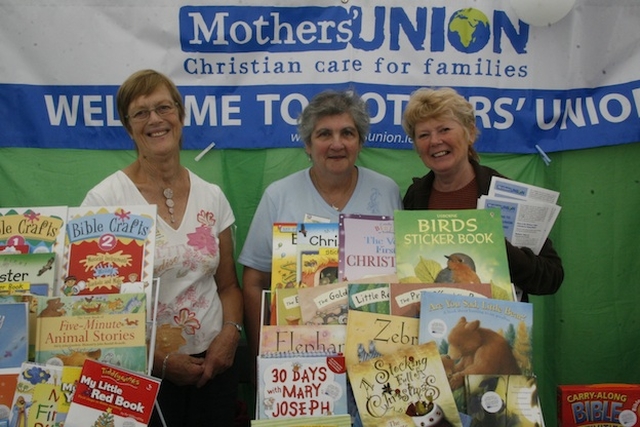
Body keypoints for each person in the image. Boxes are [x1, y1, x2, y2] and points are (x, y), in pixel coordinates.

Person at [81, 69, 243, 426]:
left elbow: (229, 286)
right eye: (141, 112)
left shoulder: (211, 196)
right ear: (128, 127)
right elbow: (96, 308)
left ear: (180, 117)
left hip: (213, 369)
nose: (155, 119)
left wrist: (230, 334)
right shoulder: (106, 200)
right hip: (140, 372)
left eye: (164, 108)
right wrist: (159, 361)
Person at [238, 89, 403, 366]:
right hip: (299, 357)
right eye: (324, 134)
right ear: (307, 144)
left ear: (360, 142)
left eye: (347, 133)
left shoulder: (387, 190)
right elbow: (254, 283)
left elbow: (401, 278)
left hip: (373, 355)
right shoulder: (279, 196)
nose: (336, 144)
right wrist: (261, 358)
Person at [401, 87, 563, 302]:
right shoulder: (415, 196)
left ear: (469, 132)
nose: (435, 141)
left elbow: (551, 278)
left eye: (444, 129)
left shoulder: (507, 195)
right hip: (431, 328)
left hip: (496, 325)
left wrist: (500, 249)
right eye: (423, 135)